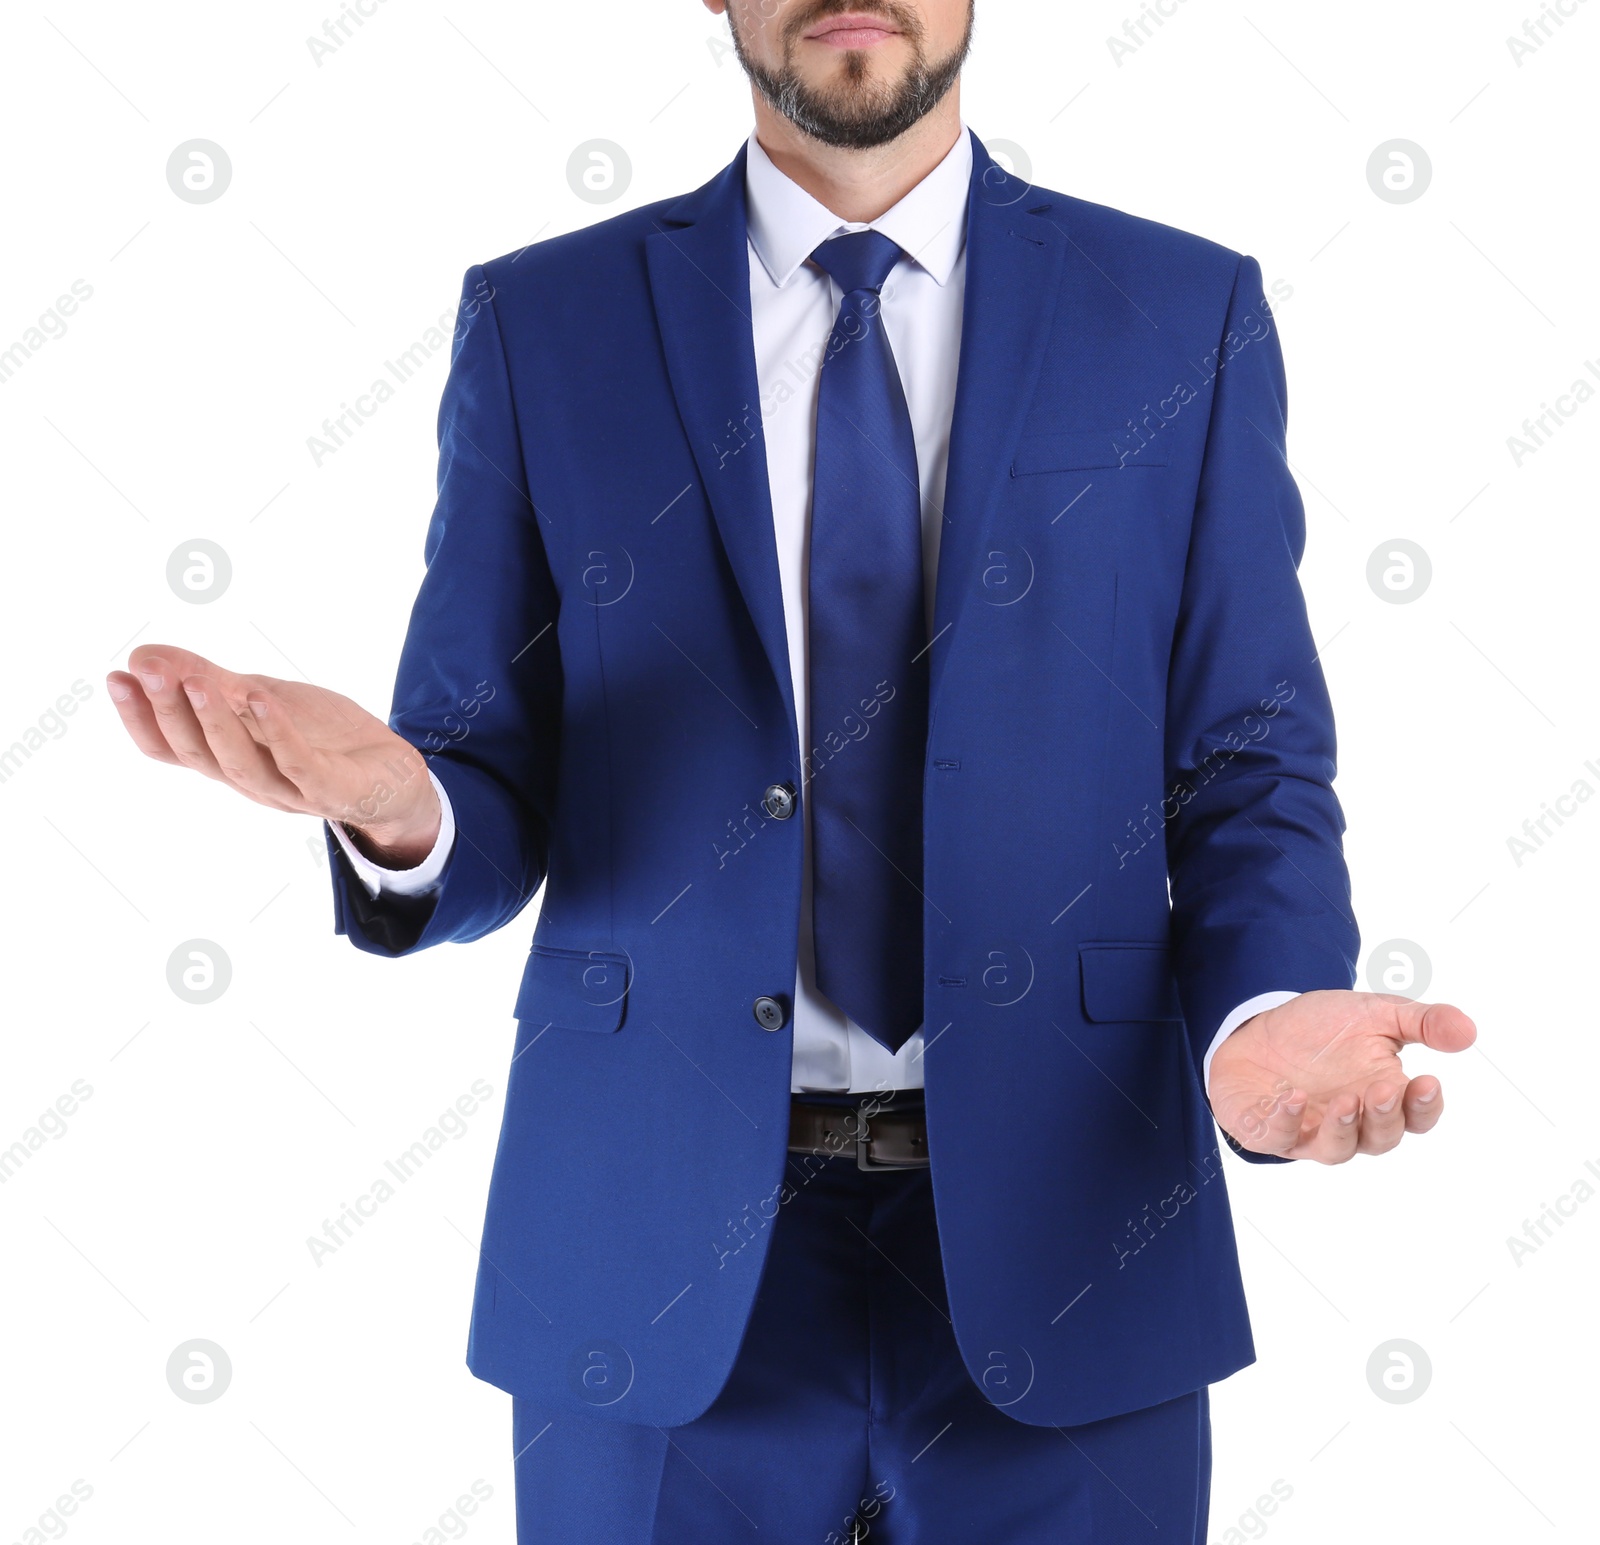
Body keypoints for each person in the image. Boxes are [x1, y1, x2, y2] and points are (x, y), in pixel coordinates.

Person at [107, 1, 1477, 1539]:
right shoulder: (546, 322)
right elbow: (486, 766)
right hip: (651, 1249)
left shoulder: (1177, 311)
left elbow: (1246, 761)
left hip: (1074, 1227)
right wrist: (403, 808)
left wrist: (1266, 1007)